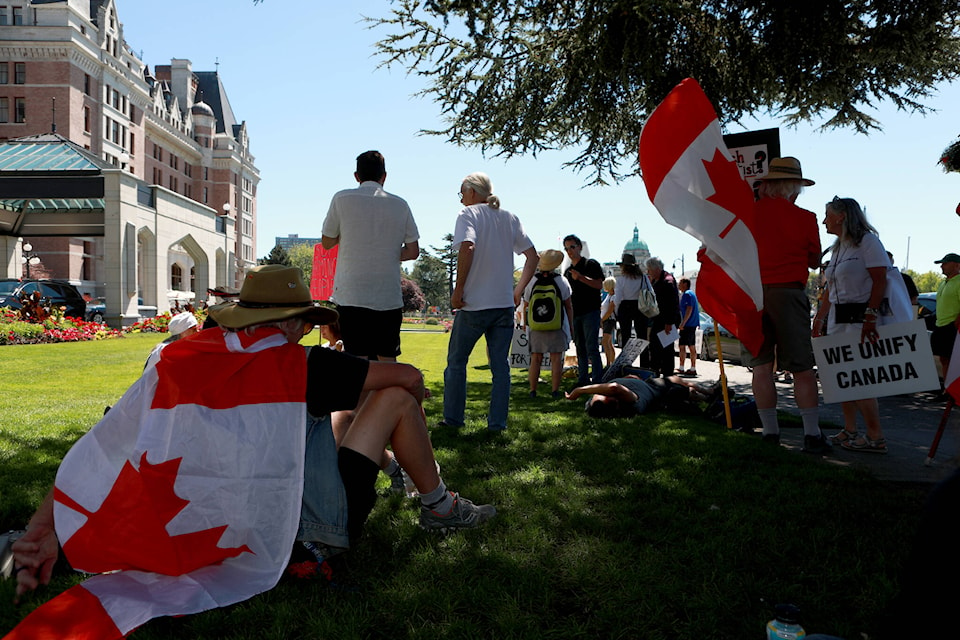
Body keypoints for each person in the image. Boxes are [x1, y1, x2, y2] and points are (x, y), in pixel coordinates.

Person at [8, 265, 494, 636]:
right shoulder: (300, 365)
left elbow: (106, 447)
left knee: (338, 412)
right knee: (391, 398)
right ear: (287, 322)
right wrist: (401, 386)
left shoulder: (180, 362)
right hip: (303, 528)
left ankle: (405, 477)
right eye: (303, 322)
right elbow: (407, 376)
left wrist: (44, 527)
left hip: (218, 515)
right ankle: (439, 506)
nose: (305, 331)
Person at [441, 172, 538, 432]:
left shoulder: (468, 215)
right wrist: (518, 290)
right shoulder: (510, 217)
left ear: (473, 192)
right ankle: (497, 424)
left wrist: (458, 289)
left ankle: (453, 419)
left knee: (457, 363)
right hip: (503, 304)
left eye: (462, 190)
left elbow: (468, 247)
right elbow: (533, 257)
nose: (461, 196)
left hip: (475, 304)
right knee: (500, 368)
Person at [744, 157, 828, 453]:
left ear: (766, 186)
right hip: (789, 293)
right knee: (802, 368)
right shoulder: (806, 218)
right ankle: (811, 434)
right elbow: (814, 260)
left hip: (752, 294)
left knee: (761, 366)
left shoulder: (746, 214)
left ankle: (769, 432)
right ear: (794, 188)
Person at [813, 197, 903, 454]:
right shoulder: (840, 246)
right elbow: (831, 288)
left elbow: (880, 280)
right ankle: (850, 429)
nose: (824, 221)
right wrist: (820, 318)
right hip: (838, 320)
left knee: (860, 379)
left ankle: (876, 436)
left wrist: (871, 317)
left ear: (841, 216)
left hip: (860, 319)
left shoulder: (868, 242)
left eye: (827, 215)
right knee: (842, 378)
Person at [321, 150, 420, 362]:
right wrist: (388, 252)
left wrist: (350, 239)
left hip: (351, 294)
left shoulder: (342, 198)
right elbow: (413, 251)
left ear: (357, 176)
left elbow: (327, 242)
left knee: (357, 362)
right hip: (387, 296)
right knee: (387, 359)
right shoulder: (400, 205)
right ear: (384, 176)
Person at [523, 249, 574, 398]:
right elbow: (568, 305)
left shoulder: (532, 281)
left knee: (535, 358)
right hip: (556, 324)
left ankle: (533, 390)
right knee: (556, 358)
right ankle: (555, 391)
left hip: (536, 325)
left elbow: (526, 303)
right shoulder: (561, 280)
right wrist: (570, 324)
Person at [565, 373, 715, 418]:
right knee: (681, 386)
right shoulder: (631, 405)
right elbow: (614, 387)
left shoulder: (594, 405)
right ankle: (709, 396)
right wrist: (579, 391)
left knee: (679, 381)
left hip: (646, 382)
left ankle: (710, 392)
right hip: (658, 390)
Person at [562, 234, 605, 386]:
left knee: (591, 346)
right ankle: (582, 379)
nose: (570, 251)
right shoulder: (567, 272)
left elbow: (599, 285)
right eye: (567, 248)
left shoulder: (590, 265)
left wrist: (581, 278)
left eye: (572, 247)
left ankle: (598, 378)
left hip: (590, 311)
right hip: (576, 313)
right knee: (580, 348)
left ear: (580, 247)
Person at [645, 257, 681, 378]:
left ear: (657, 269)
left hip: (665, 322)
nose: (648, 272)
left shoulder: (667, 282)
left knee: (666, 351)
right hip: (659, 319)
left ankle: (667, 376)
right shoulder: (657, 281)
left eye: (649, 269)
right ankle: (655, 373)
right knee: (655, 348)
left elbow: (673, 304)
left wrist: (669, 323)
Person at [932, 252, 960, 379]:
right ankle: (948, 390)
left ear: (957, 266)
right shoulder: (943, 282)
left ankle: (953, 393)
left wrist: (957, 323)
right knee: (944, 359)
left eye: (945, 263)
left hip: (953, 327)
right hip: (940, 325)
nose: (941, 266)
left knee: (954, 361)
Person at [613, 253, 648, 350]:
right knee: (642, 336)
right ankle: (644, 362)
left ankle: (626, 362)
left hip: (625, 305)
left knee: (625, 336)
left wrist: (616, 311)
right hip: (640, 305)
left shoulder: (621, 280)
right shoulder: (643, 278)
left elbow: (618, 298)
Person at [676, 277, 700, 376]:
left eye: (680, 283)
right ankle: (692, 367)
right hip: (692, 324)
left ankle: (684, 367)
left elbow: (689, 309)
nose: (678, 285)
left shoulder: (687, 294)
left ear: (685, 284)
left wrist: (683, 323)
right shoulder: (692, 294)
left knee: (683, 346)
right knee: (691, 345)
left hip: (688, 324)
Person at [600, 277, 617, 367]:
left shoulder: (613, 297)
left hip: (609, 320)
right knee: (609, 343)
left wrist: (602, 320)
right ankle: (611, 363)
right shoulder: (609, 296)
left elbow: (610, 311)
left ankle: (608, 363)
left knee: (605, 342)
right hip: (607, 320)